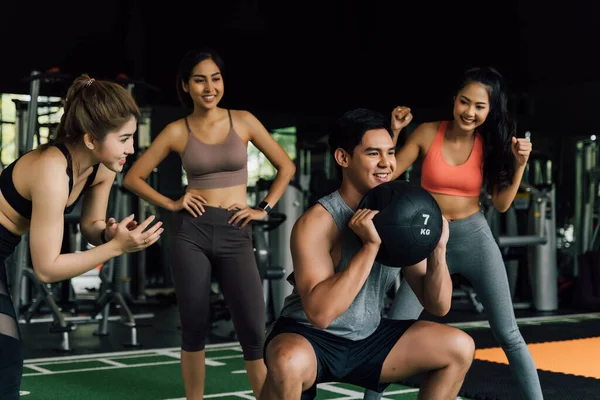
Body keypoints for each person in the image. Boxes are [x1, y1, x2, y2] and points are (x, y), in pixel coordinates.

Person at [261, 108, 475, 400]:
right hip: (309, 338)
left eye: (390, 152)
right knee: (287, 362)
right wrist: (369, 247)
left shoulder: (401, 213)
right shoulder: (317, 223)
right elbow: (320, 315)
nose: (387, 163)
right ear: (343, 158)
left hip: (369, 339)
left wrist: (437, 251)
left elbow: (438, 305)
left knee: (459, 347)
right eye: (373, 154)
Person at [123, 49, 296, 400]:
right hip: (192, 233)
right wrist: (172, 202)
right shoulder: (177, 130)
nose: (209, 87)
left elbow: (285, 166)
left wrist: (263, 207)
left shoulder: (243, 120)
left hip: (236, 230)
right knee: (194, 326)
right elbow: (134, 177)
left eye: (215, 78)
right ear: (186, 86)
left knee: (252, 328)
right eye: (199, 80)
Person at [363, 67, 542, 400]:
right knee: (392, 333)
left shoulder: (490, 146)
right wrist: (395, 132)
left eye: (479, 106)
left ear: (490, 111)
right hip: (426, 238)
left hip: (474, 237)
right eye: (464, 102)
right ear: (454, 99)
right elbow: (384, 179)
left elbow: (502, 204)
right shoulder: (427, 133)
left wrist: (519, 164)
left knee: (509, 334)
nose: (469, 112)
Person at [0, 74, 162, 399]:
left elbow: (91, 225)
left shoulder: (102, 168)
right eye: (124, 138)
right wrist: (116, 248)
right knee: (6, 360)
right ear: (91, 139)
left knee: (5, 361)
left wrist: (109, 234)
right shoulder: (51, 170)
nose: (132, 147)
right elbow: (46, 269)